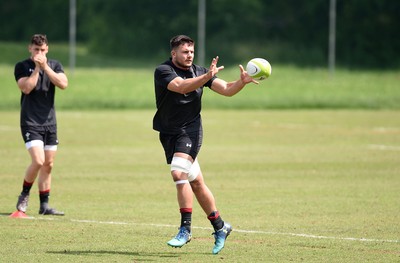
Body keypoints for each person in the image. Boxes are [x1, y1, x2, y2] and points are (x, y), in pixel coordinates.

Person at [153, 35, 258, 254]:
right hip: (169, 133)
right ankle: (220, 227)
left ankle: (185, 229)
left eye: (191, 51)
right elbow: (181, 87)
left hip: (190, 131)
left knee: (178, 173)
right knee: (196, 182)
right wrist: (207, 77)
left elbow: (227, 89)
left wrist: (241, 82)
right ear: (174, 54)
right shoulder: (163, 71)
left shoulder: (201, 72)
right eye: (185, 52)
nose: (189, 55)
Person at [14, 34, 68, 216]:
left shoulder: (54, 65)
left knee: (49, 164)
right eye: (36, 50)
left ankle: (44, 205)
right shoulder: (22, 66)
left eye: (43, 50)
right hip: (30, 121)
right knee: (38, 160)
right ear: (30, 48)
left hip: (50, 122)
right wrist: (37, 69)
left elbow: (63, 84)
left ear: (47, 49)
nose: (39, 53)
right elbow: (26, 87)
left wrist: (45, 67)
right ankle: (24, 195)